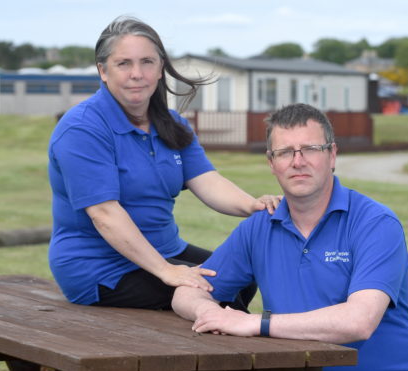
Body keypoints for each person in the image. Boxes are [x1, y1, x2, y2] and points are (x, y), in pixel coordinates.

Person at [172, 103, 408, 371]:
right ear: (271, 163)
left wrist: (257, 323)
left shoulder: (374, 223)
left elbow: (358, 321)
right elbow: (186, 292)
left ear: (332, 155)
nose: (298, 161)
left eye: (310, 149)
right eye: (284, 152)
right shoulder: (261, 225)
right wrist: (208, 312)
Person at [48, 16, 279, 310]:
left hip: (166, 250)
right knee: (215, 293)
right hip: (99, 268)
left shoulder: (172, 124)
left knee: (244, 276)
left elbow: (207, 180)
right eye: (124, 64)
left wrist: (253, 206)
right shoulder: (82, 129)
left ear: (160, 69)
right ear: (102, 71)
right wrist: (166, 271)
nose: (137, 73)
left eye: (147, 62)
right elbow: (105, 214)